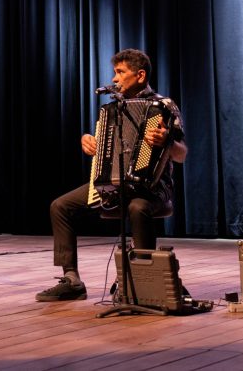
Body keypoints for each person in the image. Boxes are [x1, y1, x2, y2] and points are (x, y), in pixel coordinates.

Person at [36, 48, 187, 302]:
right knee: (60, 206)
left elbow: (182, 154)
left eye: (120, 72)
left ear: (140, 75)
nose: (114, 78)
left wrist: (167, 142)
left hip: (154, 188)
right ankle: (71, 279)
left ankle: (143, 279)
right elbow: (106, 148)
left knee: (138, 207)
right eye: (114, 72)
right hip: (114, 184)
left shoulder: (163, 106)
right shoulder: (111, 110)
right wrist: (89, 141)